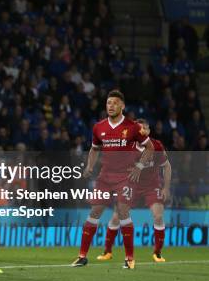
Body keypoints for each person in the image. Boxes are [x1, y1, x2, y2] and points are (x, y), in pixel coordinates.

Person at [72, 90, 154, 270]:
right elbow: (94, 149)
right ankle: (82, 256)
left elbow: (150, 147)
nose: (111, 106)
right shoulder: (98, 127)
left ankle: (129, 258)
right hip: (105, 177)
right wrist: (89, 166)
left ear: (122, 106)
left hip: (125, 177)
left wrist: (140, 166)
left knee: (123, 212)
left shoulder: (132, 127)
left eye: (115, 103)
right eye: (109, 103)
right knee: (94, 213)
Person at [97, 119, 171, 262]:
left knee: (158, 216)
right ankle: (107, 251)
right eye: (139, 128)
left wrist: (166, 188)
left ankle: (157, 252)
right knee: (116, 216)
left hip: (151, 186)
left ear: (149, 131)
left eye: (145, 128)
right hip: (131, 185)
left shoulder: (156, 146)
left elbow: (166, 166)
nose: (142, 131)